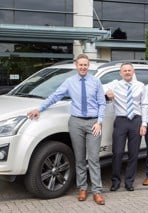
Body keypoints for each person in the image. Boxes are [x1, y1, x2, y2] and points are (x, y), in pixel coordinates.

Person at [27, 54, 106, 205]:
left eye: (85, 65)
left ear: (88, 66)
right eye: (80, 65)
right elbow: (55, 96)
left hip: (93, 123)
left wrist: (99, 122)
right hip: (76, 122)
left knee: (94, 158)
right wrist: (40, 109)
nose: (83, 67)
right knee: (80, 158)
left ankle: (97, 191)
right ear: (76, 66)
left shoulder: (95, 81)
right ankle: (82, 188)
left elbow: (102, 103)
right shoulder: (69, 82)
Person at [103, 62, 148, 192]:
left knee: (134, 153)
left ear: (133, 72)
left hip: (136, 121)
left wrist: (144, 124)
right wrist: (108, 91)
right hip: (121, 121)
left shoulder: (140, 86)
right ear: (120, 73)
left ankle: (129, 182)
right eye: (125, 70)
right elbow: (99, 87)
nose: (127, 72)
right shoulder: (115, 84)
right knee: (117, 153)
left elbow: (145, 105)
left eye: (129, 70)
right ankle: (115, 181)